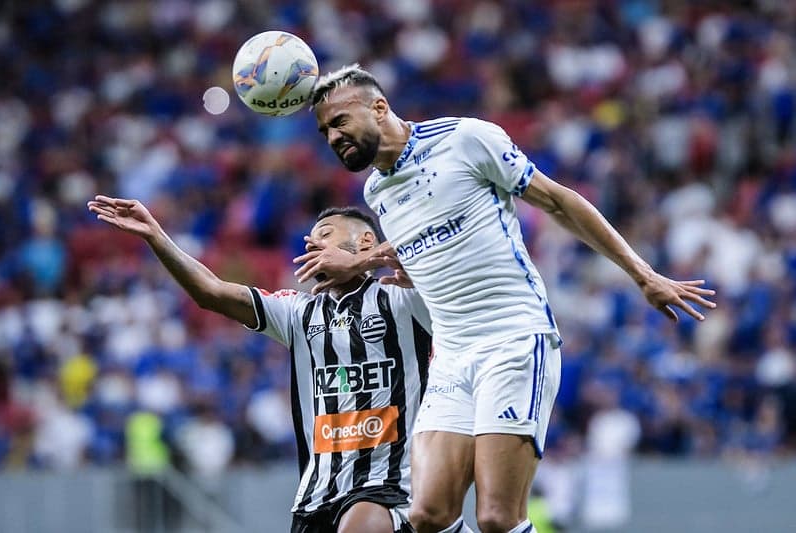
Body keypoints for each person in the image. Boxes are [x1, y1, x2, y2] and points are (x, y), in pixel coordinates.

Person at [293, 64, 717, 533]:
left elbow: (558, 200)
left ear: (378, 107)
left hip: (513, 340)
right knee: (428, 514)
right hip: (452, 357)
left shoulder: (466, 140)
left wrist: (643, 274)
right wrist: (374, 266)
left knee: (497, 518)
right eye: (325, 131)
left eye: (340, 122)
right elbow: (425, 248)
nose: (333, 137)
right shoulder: (378, 190)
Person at [87, 196, 432, 533]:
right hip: (316, 496)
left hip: (388, 486)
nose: (313, 242)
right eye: (310, 238)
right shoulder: (298, 311)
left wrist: (361, 263)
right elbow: (211, 292)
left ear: (366, 240)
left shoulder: (403, 297)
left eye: (325, 234)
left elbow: (447, 250)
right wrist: (155, 236)